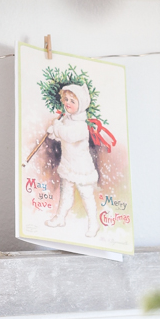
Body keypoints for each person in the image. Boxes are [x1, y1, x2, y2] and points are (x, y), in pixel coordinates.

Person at [45, 84, 101, 238]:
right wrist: (53, 132)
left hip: (81, 167)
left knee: (86, 195)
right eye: (66, 99)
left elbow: (68, 136)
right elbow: (60, 136)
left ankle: (93, 224)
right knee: (66, 193)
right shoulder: (66, 119)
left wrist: (56, 127)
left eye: (72, 101)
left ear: (81, 104)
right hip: (68, 164)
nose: (68, 103)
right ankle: (60, 218)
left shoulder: (81, 125)